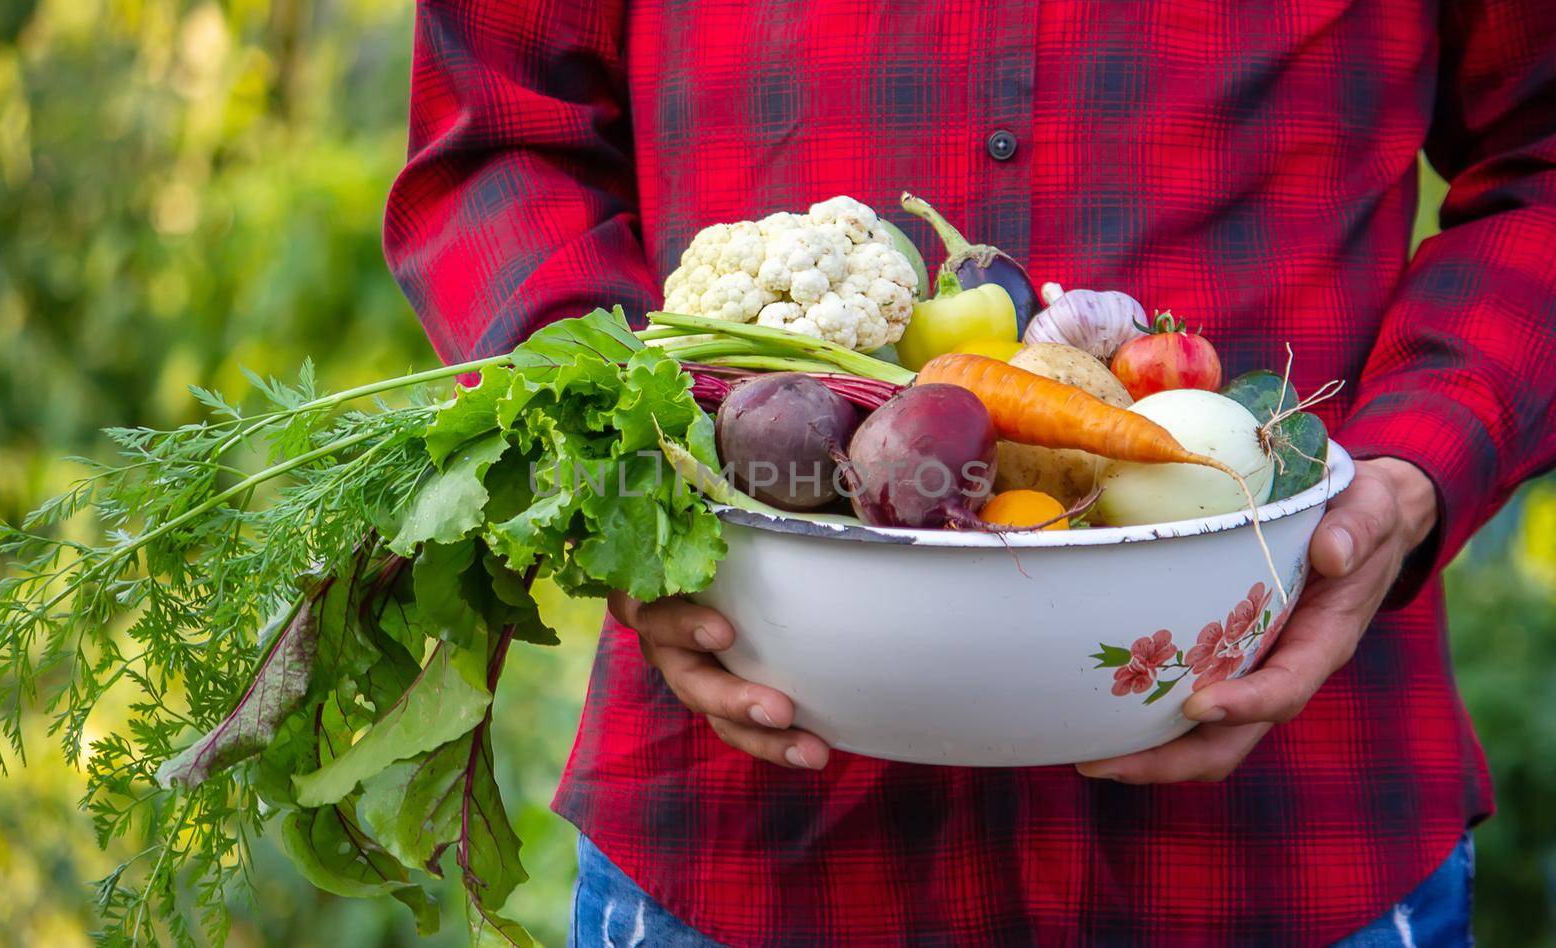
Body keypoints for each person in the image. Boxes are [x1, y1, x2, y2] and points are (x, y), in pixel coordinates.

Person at [383, 1, 1556, 943]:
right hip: (747, 843)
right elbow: (503, 136)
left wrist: (1414, 466)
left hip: (1290, 838)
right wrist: (611, 464)